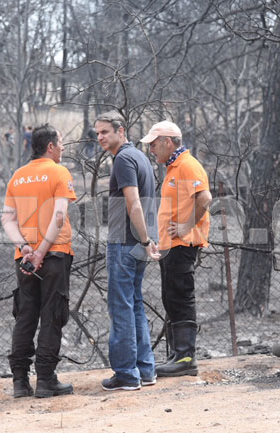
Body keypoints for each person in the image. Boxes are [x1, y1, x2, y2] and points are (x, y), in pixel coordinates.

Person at [1, 124, 77, 398]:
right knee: (52, 315)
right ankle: (46, 380)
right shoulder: (59, 172)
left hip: (24, 259)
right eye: (61, 142)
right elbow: (59, 217)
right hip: (54, 254)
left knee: (25, 316)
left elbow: (7, 219)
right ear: (50, 146)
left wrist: (25, 247)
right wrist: (43, 251)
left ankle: (20, 382)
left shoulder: (17, 176)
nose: (63, 147)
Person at [95, 111, 160, 391]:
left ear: (121, 131)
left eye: (105, 132)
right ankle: (145, 370)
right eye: (97, 133)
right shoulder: (140, 156)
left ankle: (125, 374)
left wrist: (145, 241)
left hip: (126, 242)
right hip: (137, 241)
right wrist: (147, 240)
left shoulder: (122, 159)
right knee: (133, 304)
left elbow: (134, 204)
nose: (100, 137)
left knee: (121, 305)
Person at [142, 120, 212, 377]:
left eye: (153, 144)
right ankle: (177, 355)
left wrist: (185, 227)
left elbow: (205, 199)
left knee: (181, 297)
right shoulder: (174, 167)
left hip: (183, 245)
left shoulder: (188, 166)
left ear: (168, 142)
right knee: (171, 297)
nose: (151, 149)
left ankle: (185, 358)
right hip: (171, 246)